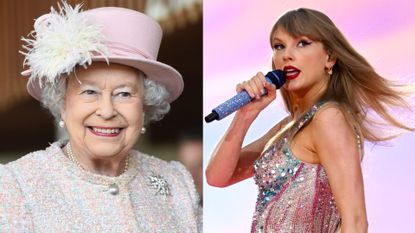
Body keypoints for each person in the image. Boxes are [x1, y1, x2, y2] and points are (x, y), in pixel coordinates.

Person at [206, 8, 413, 233]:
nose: (287, 55)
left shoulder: (328, 118)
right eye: (279, 46)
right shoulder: (288, 125)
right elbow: (217, 177)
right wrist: (244, 116)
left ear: (330, 58)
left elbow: (355, 221)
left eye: (302, 43)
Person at [0, 2, 201, 232]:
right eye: (89, 92)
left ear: (144, 105)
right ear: (62, 104)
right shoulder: (16, 185)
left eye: (124, 94)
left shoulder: (176, 181)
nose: (106, 111)